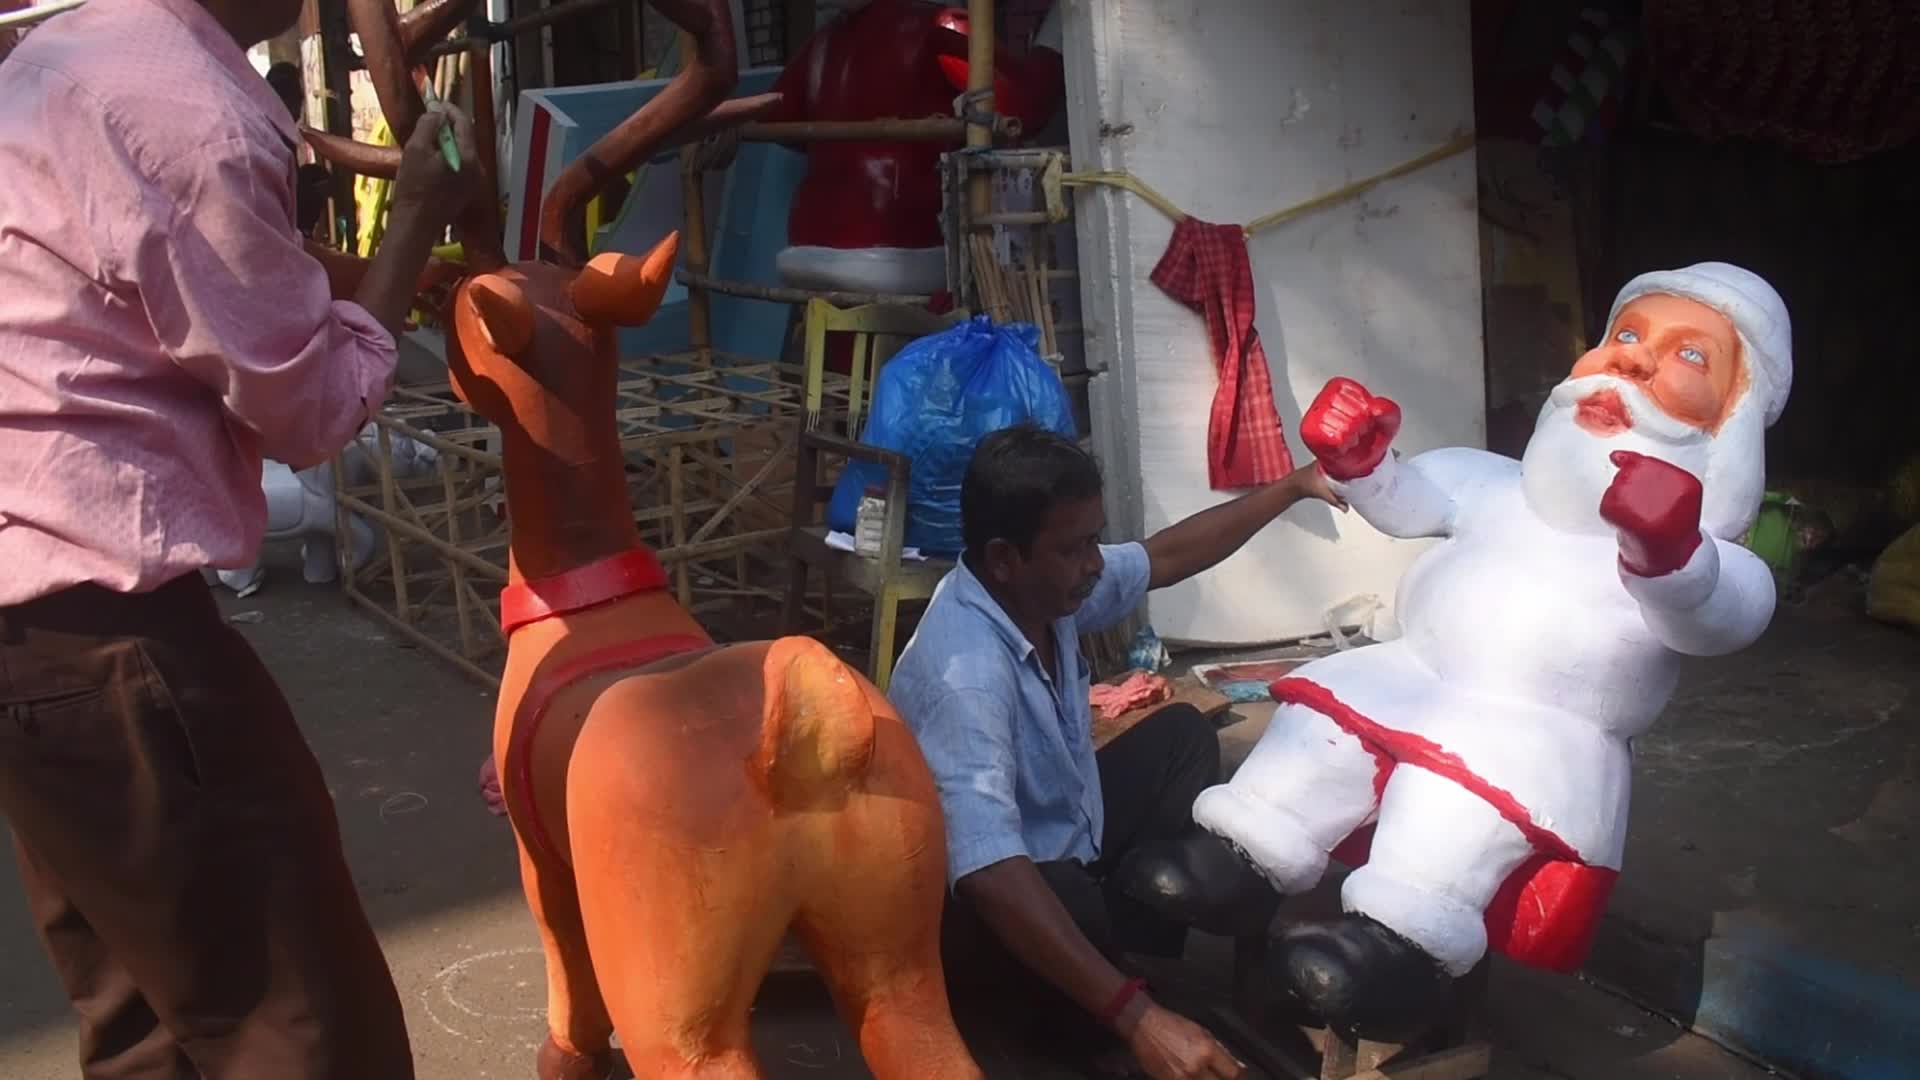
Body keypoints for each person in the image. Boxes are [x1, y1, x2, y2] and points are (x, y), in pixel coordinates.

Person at [0, 0, 481, 1076]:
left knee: (148, 1023)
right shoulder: (191, 115)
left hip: (31, 639)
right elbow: (308, 414)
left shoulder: (68, 58)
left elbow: (165, 270)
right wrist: (411, 221)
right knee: (303, 1024)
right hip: (115, 642)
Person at [1130, 263, 1789, 1039]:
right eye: (1628, 333)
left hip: (1528, 736)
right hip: (1413, 678)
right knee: (1318, 733)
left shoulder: (1711, 552)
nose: (1633, 360)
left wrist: (1670, 552)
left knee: (1450, 805)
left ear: (1731, 419)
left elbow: (1717, 618)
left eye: (1688, 355)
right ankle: (1237, 860)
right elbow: (1416, 503)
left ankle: (1395, 950)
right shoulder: (1500, 484)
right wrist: (1363, 464)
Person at [888, 424, 1346, 1080]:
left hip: (1062, 847)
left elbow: (1166, 556)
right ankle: (1110, 1011)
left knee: (1181, 737)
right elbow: (987, 870)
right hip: (984, 913)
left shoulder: (1043, 588)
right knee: (1071, 902)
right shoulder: (964, 674)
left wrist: (1295, 486)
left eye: (1095, 540)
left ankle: (1132, 967)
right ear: (1003, 557)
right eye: (1076, 549)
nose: (1096, 564)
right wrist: (1139, 1020)